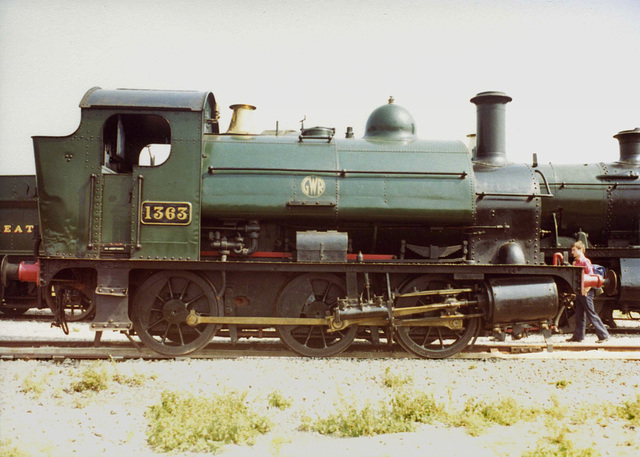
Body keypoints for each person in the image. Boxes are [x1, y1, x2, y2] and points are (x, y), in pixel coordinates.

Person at [566, 241, 610, 343]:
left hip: (586, 292)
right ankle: (578, 336)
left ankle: (604, 335)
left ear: (580, 250)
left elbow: (591, 276)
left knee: (591, 313)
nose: (572, 252)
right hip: (580, 292)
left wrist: (587, 289)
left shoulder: (585, 261)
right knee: (579, 314)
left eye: (574, 250)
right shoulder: (576, 262)